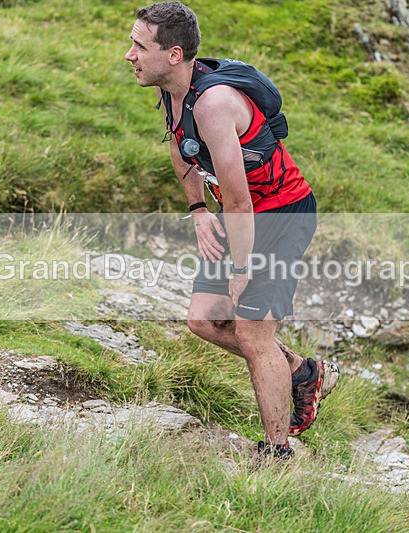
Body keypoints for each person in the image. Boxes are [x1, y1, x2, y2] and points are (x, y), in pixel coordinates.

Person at [124, 1, 339, 459]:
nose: (130, 55)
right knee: (203, 319)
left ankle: (276, 454)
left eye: (139, 46)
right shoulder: (170, 90)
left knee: (252, 332)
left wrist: (242, 268)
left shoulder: (215, 104)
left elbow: (241, 200)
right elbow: (180, 148)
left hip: (280, 215)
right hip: (237, 215)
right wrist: (199, 209)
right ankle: (302, 372)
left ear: (175, 54)